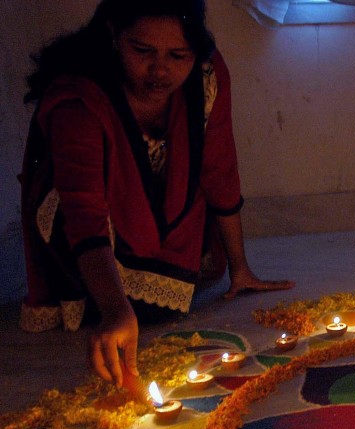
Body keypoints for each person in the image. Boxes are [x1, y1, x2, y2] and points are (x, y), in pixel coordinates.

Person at [20, 0, 293, 388]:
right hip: (88, 222)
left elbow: (219, 169)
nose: (160, 70)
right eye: (142, 51)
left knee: (158, 305)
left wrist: (240, 268)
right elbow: (84, 211)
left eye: (177, 55)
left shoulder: (207, 76)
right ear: (114, 36)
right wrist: (115, 308)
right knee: (132, 312)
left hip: (158, 206)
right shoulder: (81, 98)